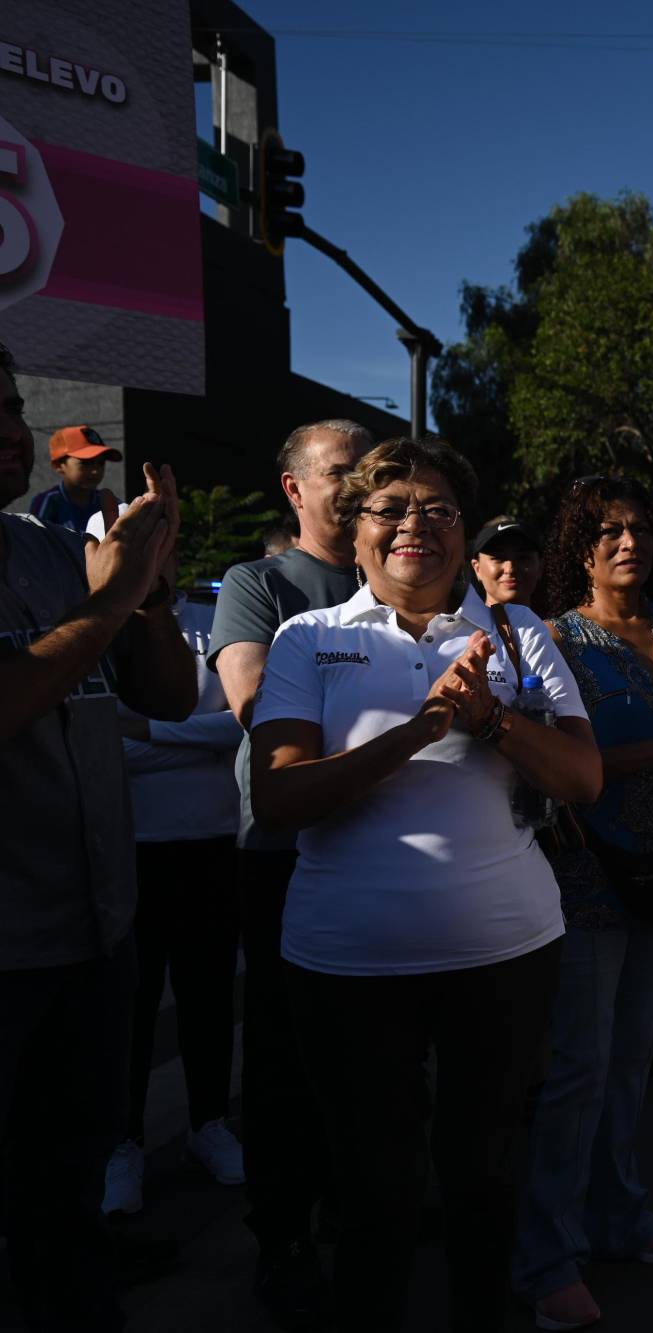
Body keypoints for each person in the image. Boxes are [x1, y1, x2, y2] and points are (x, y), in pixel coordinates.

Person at [247, 437, 600, 1332]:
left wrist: (491, 722)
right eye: (390, 509)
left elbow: (583, 779)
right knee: (375, 1192)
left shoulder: (516, 634)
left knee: (484, 1181)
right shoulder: (307, 638)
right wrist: (421, 728)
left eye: (438, 508)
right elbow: (282, 795)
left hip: (505, 953)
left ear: (465, 529)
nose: (415, 525)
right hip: (346, 966)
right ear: (356, 532)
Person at [0, 340, 196, 1333]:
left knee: (66, 1205)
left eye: (12, 404)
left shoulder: (47, 552)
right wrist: (113, 596)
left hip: (92, 937)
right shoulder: (78, 570)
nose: (12, 431)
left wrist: (151, 592)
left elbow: (167, 694)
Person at [513, 477, 653, 1330]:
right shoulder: (556, 640)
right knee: (578, 1068)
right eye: (609, 531)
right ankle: (545, 1253)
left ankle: (619, 1217)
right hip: (590, 874)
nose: (628, 542)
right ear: (580, 547)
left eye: (640, 529)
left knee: (631, 1056)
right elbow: (551, 767)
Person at [208, 417, 370, 1322]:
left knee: (372, 1049)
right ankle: (284, 1233)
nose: (359, 489)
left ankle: (361, 1206)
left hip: (387, 847)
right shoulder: (257, 583)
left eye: (369, 472)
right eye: (341, 473)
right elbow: (254, 704)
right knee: (283, 1053)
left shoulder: (407, 576)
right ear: (296, 490)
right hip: (285, 852)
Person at [103, 584, 247, 1217]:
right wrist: (188, 736)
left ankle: (208, 1124)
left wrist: (148, 730)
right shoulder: (96, 631)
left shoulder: (215, 620)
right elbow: (102, 739)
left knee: (209, 997)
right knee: (130, 1007)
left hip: (212, 845)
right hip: (129, 848)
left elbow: (240, 724)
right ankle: (122, 1143)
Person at [26, 425, 120, 535]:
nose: (95, 470)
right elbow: (35, 542)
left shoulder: (109, 503)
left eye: (101, 463)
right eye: (85, 463)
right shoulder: (49, 502)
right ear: (59, 465)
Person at [470, 515, 545, 615]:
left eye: (522, 558)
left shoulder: (559, 629)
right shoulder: (456, 629)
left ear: (540, 567)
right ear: (477, 568)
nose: (510, 569)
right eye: (498, 558)